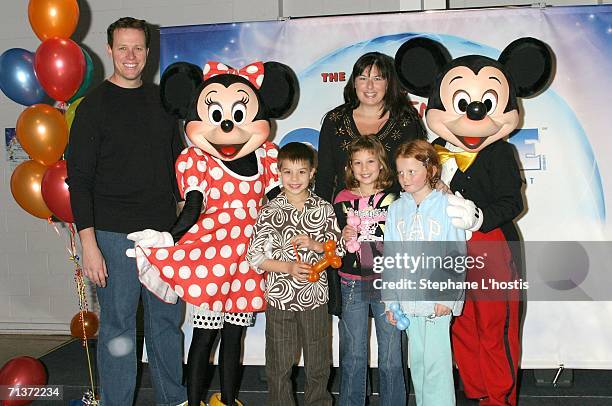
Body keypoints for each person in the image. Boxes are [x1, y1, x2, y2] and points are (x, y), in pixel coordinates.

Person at [66, 17, 187, 406]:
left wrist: (183, 227)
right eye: (123, 48)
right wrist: (89, 244)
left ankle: (174, 400)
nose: (130, 56)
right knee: (118, 329)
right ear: (110, 51)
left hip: (164, 236)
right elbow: (79, 180)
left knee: (167, 325)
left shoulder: (162, 103)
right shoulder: (93, 107)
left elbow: (177, 168)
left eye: (138, 48)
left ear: (148, 53)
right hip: (113, 237)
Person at [246, 142, 342, 406]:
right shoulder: (269, 211)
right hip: (280, 300)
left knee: (318, 362)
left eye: (301, 172)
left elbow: (338, 250)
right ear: (278, 172)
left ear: (313, 172)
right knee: (278, 365)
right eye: (288, 172)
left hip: (315, 299)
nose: (294, 179)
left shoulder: (323, 209)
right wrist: (287, 267)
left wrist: (316, 245)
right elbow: (255, 256)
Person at [383, 139, 466, 406]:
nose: (405, 178)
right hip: (407, 302)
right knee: (417, 363)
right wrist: (390, 300)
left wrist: (447, 297)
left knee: (437, 365)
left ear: (430, 170)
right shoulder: (397, 208)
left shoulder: (446, 205)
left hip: (435, 301)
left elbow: (455, 254)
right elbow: (391, 256)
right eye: (401, 172)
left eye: (412, 171)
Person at [332, 136, 405, 406]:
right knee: (353, 353)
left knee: (390, 354)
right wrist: (343, 234)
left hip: (388, 283)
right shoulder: (342, 198)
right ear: (350, 167)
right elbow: (337, 243)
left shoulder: (395, 196)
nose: (364, 168)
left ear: (381, 164)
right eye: (357, 162)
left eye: (370, 161)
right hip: (351, 282)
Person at [315, 51, 426, 204]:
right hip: (345, 217)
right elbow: (324, 178)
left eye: (377, 78)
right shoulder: (335, 121)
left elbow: (419, 173)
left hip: (396, 216)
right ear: (354, 82)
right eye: (363, 78)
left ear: (388, 84)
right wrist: (323, 220)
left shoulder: (405, 123)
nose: (369, 86)